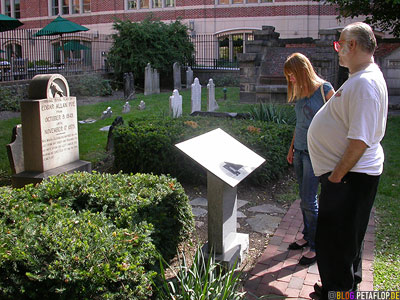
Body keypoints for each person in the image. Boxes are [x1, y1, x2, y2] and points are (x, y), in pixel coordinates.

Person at [307, 22, 388, 299]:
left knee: (335, 243)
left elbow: (360, 141)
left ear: (352, 45)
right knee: (347, 240)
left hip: (349, 177)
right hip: (350, 177)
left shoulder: (365, 83)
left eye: (339, 44)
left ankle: (338, 293)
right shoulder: (361, 77)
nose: (338, 50)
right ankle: (341, 290)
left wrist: (335, 178)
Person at [283, 53, 334, 265]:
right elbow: (300, 123)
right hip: (301, 150)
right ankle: (306, 235)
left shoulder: (325, 89)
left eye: (291, 75)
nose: (290, 80)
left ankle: (316, 246)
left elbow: (338, 120)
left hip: (316, 153)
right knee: (304, 198)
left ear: (302, 70)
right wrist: (292, 147)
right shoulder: (299, 91)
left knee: (309, 199)